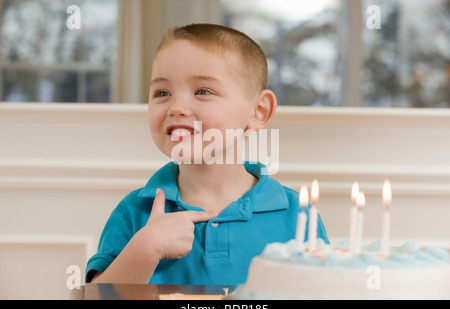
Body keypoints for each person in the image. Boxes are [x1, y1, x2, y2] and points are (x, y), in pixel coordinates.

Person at [86, 23, 328, 285]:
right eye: (161, 93)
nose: (177, 108)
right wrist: (146, 248)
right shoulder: (134, 212)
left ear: (258, 111)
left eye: (203, 91)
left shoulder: (296, 215)